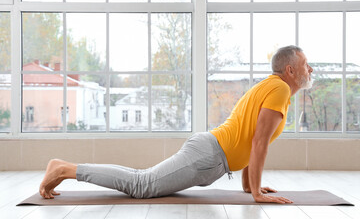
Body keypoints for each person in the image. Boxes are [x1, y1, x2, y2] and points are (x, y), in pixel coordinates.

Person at [39, 45, 313, 204]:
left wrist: (249, 186)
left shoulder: (272, 87)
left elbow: (252, 136)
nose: (310, 70)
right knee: (140, 185)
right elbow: (259, 142)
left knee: (141, 177)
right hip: (207, 155)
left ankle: (67, 168)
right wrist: (255, 192)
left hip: (209, 153)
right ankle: (65, 169)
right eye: (306, 64)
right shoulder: (279, 91)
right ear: (290, 70)